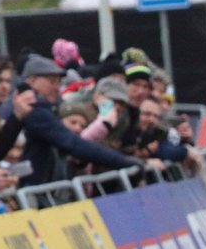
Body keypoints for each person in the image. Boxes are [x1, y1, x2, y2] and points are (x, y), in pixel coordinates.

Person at [12, 55, 139, 185]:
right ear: (32, 81)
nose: (57, 88)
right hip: (38, 189)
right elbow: (73, 144)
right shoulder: (36, 112)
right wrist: (123, 162)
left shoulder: (49, 109)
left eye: (59, 82)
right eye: (52, 81)